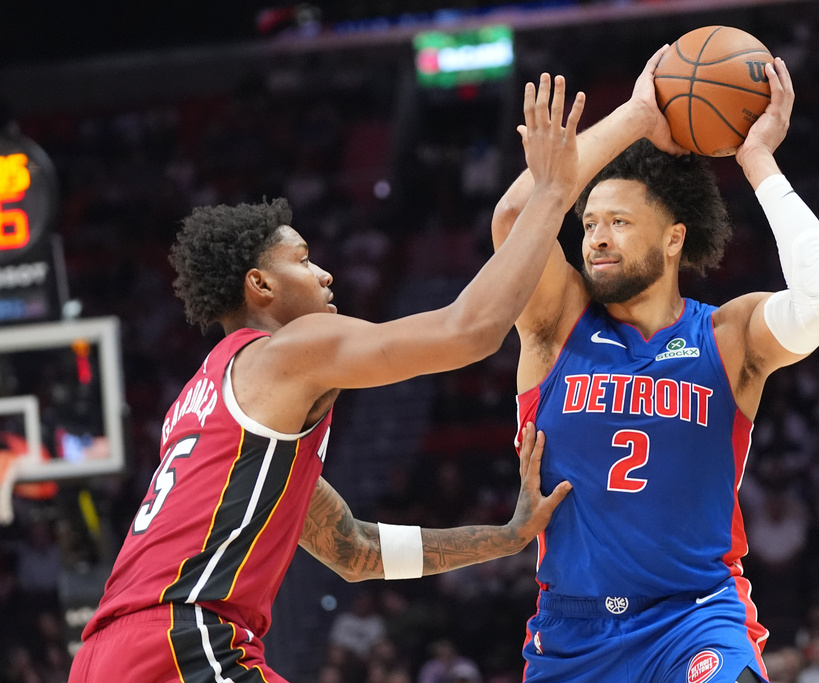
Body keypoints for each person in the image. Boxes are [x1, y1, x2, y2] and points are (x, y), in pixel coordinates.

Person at [68, 73, 584, 683]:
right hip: (182, 637)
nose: (326, 274)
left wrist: (504, 537)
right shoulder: (290, 349)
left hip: (108, 654)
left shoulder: (211, 402)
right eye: (304, 260)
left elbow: (356, 551)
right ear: (259, 286)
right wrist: (550, 195)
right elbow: (468, 332)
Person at [491, 46, 819, 683]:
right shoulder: (555, 326)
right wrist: (635, 115)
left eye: (620, 222)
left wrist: (758, 160)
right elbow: (518, 218)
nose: (596, 237)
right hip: (573, 631)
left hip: (695, 619)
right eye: (590, 223)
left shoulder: (728, 336)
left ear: (674, 237)